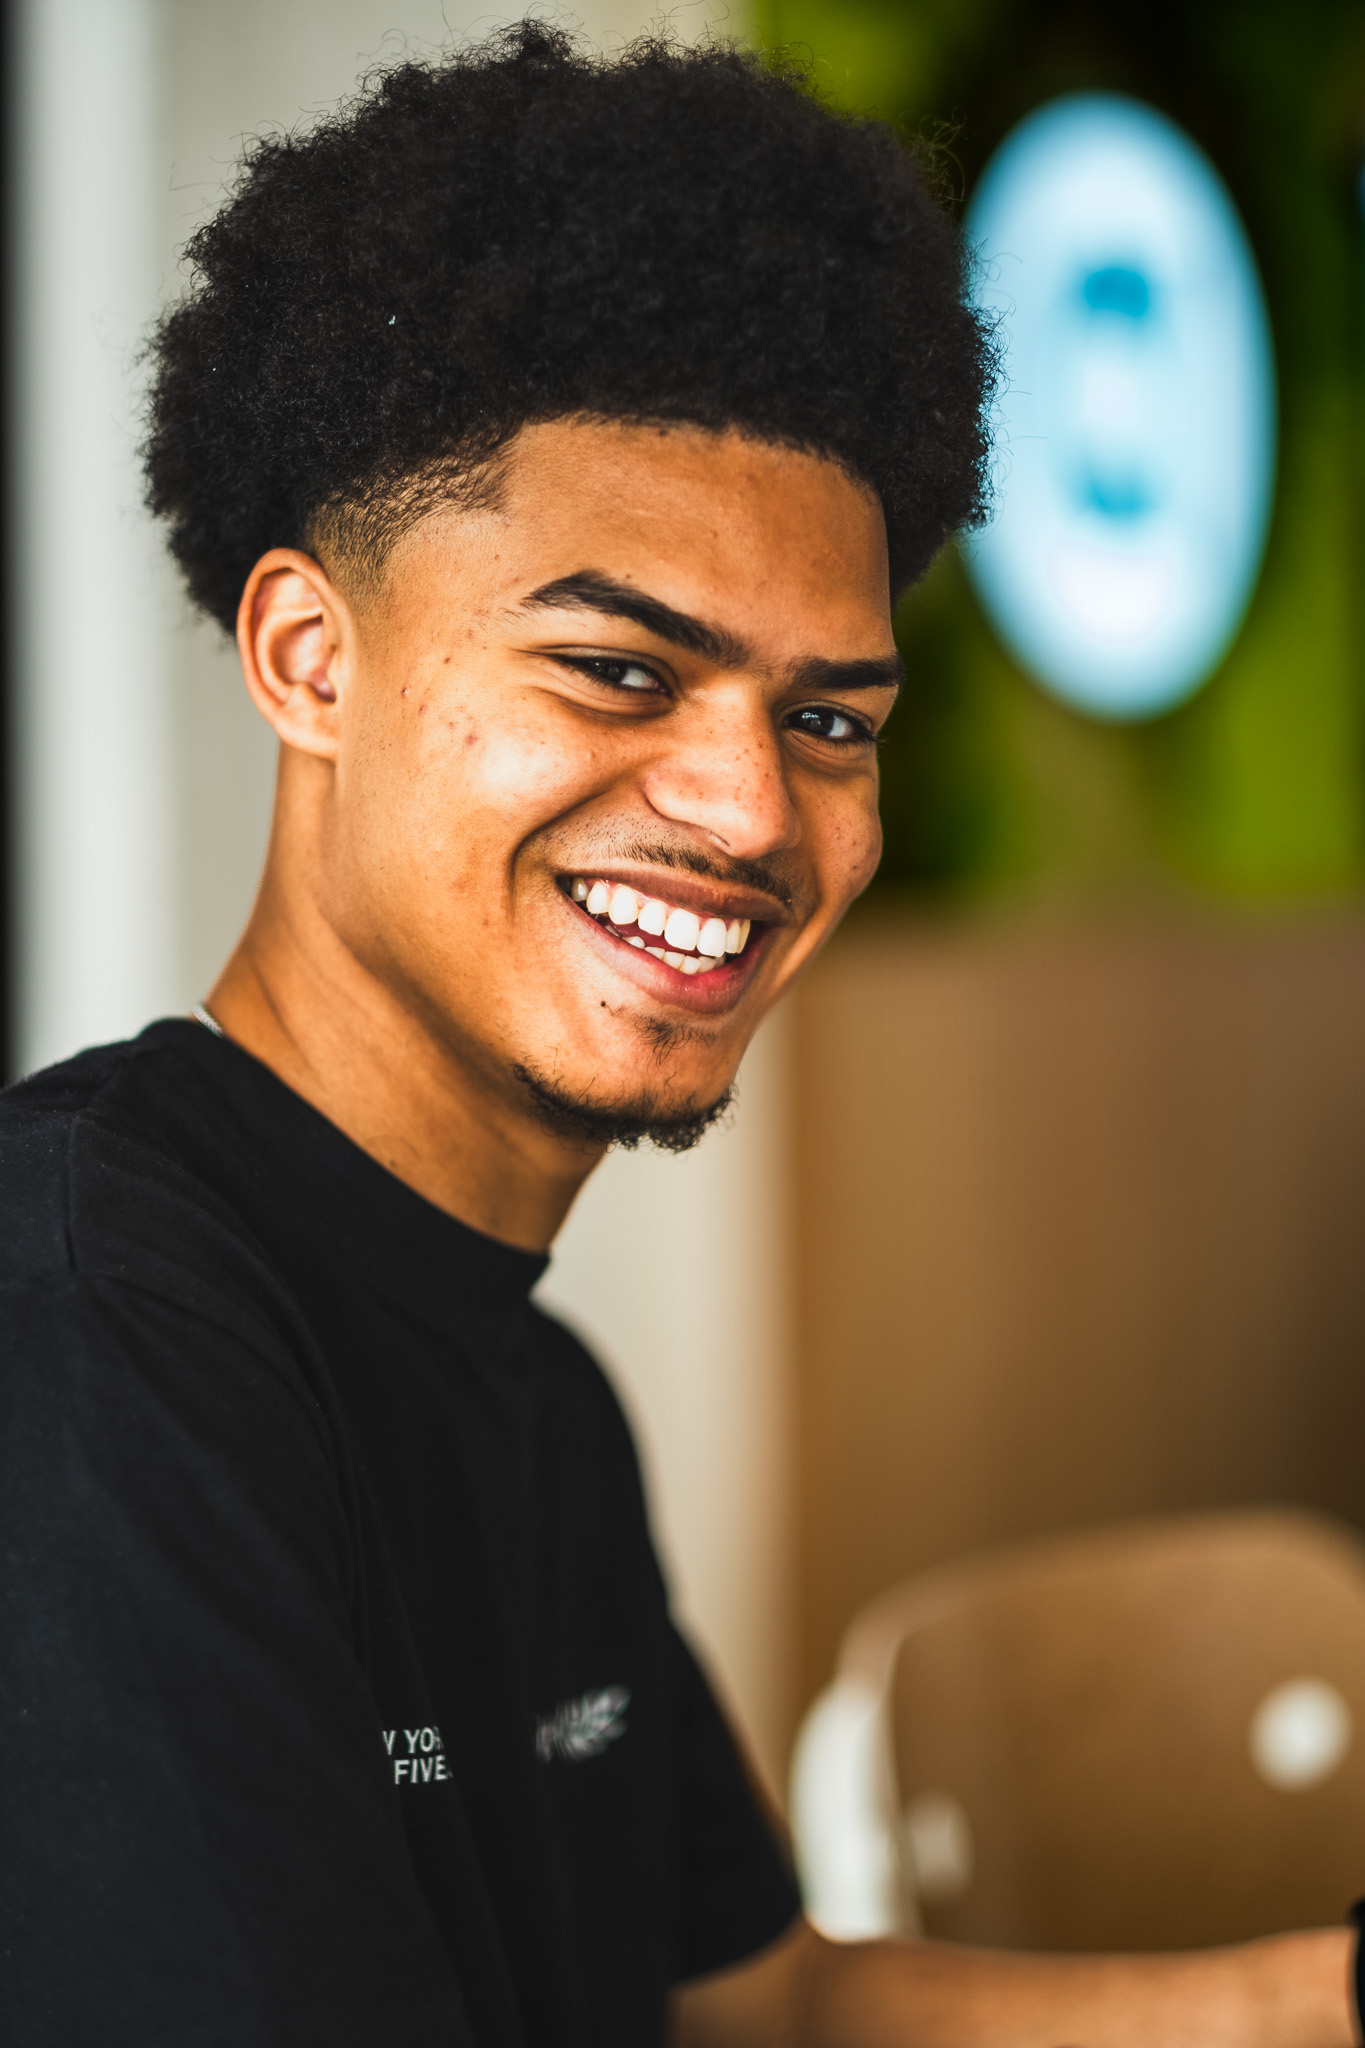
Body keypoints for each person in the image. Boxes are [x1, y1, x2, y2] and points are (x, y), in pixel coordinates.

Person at [0, 23, 1354, 2048]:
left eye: (827, 719)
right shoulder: (89, 1335)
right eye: (620, 668)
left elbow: (752, 2002)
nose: (747, 813)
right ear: (309, 659)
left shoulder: (531, 1396)